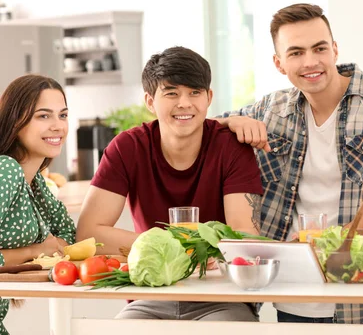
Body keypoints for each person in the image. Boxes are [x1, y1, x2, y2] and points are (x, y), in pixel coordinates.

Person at [217, 3, 363, 324]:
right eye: (295, 53)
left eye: (319, 48)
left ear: (334, 50)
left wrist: (332, 249)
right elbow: (203, 126)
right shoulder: (271, 108)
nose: (310, 62)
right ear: (279, 63)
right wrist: (233, 121)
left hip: (355, 282)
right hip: (292, 286)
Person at [76, 46, 264, 322]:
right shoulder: (127, 147)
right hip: (150, 296)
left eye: (195, 93)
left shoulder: (231, 147)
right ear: (150, 101)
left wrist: (176, 251)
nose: (184, 103)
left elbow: (244, 235)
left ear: (209, 97)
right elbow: (88, 233)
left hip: (221, 297)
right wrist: (177, 250)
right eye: (171, 93)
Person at [0, 75, 76, 335]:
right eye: (43, 116)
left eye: (63, 115)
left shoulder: (35, 183)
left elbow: (68, 238)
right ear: (15, 121)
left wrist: (47, 248)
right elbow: (51, 248)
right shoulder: (5, 170)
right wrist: (34, 250)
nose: (58, 126)